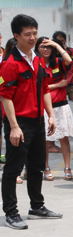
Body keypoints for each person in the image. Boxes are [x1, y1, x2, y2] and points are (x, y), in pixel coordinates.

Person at [0, 14, 63, 229]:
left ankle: (37, 206)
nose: (33, 37)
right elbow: (5, 96)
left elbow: (44, 88)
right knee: (12, 169)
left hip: (38, 122)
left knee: (36, 167)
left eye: (35, 33)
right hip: (20, 124)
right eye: (28, 34)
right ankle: (11, 212)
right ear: (16, 36)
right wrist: (14, 127)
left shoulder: (36, 59)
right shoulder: (10, 63)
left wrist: (50, 115)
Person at [35, 37, 73, 181]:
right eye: (42, 47)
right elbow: (36, 86)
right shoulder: (35, 64)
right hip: (44, 107)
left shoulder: (58, 62)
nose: (45, 49)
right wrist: (57, 85)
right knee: (45, 139)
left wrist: (56, 45)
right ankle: (46, 168)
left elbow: (69, 60)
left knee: (64, 138)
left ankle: (67, 167)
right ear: (37, 49)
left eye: (48, 47)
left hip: (61, 106)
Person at [1, 38, 25, 184]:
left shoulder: (30, 62)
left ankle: (19, 171)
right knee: (13, 148)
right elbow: (4, 92)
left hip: (21, 112)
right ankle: (13, 172)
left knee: (23, 148)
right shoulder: (7, 65)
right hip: (7, 110)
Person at [52, 31, 73, 113]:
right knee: (58, 109)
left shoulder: (72, 52)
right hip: (58, 84)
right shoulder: (51, 53)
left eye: (62, 40)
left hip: (72, 83)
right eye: (58, 41)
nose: (61, 42)